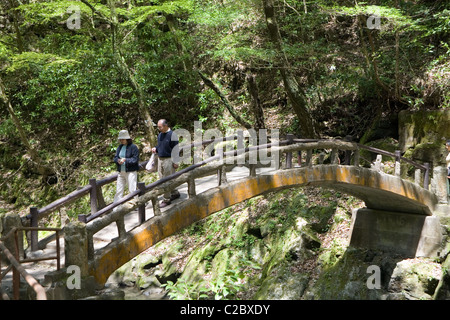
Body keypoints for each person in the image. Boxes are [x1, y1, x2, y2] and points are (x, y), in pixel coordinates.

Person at [152, 119, 180, 208]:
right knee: (161, 178)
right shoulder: (160, 134)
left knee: (166, 180)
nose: (158, 128)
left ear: (165, 126)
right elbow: (161, 145)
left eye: (160, 127)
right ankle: (174, 192)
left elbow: (176, 149)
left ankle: (166, 199)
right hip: (160, 159)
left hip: (169, 159)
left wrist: (176, 162)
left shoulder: (172, 135)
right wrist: (156, 148)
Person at [113, 130, 140, 203]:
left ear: (127, 139)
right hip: (121, 171)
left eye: (123, 139)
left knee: (132, 189)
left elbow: (135, 159)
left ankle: (136, 203)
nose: (121, 140)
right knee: (118, 190)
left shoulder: (133, 147)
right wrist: (118, 160)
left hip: (130, 171)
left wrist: (125, 160)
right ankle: (116, 207)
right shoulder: (120, 147)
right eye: (120, 139)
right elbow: (115, 157)